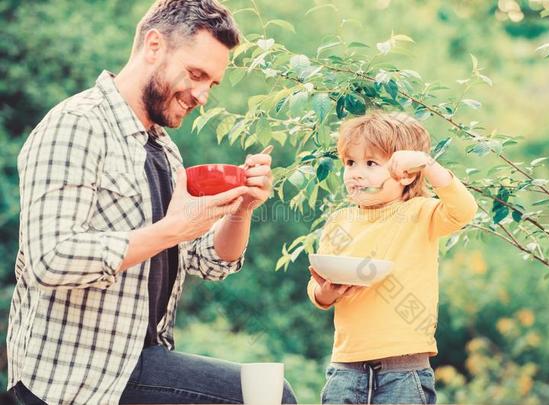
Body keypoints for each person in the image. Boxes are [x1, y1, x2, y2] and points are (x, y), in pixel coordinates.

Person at [6, 1, 297, 404]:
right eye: (196, 74)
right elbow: (50, 259)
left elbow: (207, 261)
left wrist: (241, 209)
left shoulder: (163, 148)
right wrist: (171, 230)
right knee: (265, 396)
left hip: (138, 362)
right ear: (154, 45)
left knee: (262, 391)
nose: (201, 95)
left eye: (211, 83)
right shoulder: (77, 125)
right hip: (77, 380)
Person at [307, 111, 478, 404]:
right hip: (345, 367)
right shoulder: (340, 221)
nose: (356, 173)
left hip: (404, 369)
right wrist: (324, 292)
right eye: (350, 163)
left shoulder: (422, 213)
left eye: (371, 163)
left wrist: (428, 164)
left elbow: (464, 210)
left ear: (407, 173)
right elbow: (318, 283)